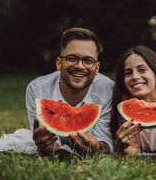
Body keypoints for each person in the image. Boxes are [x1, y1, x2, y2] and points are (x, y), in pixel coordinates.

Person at [26, 27, 114, 156]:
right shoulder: (37, 89)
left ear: (97, 68)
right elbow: (42, 140)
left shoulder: (108, 89)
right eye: (72, 58)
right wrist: (45, 146)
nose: (79, 66)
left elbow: (105, 141)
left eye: (88, 61)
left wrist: (98, 148)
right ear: (59, 63)